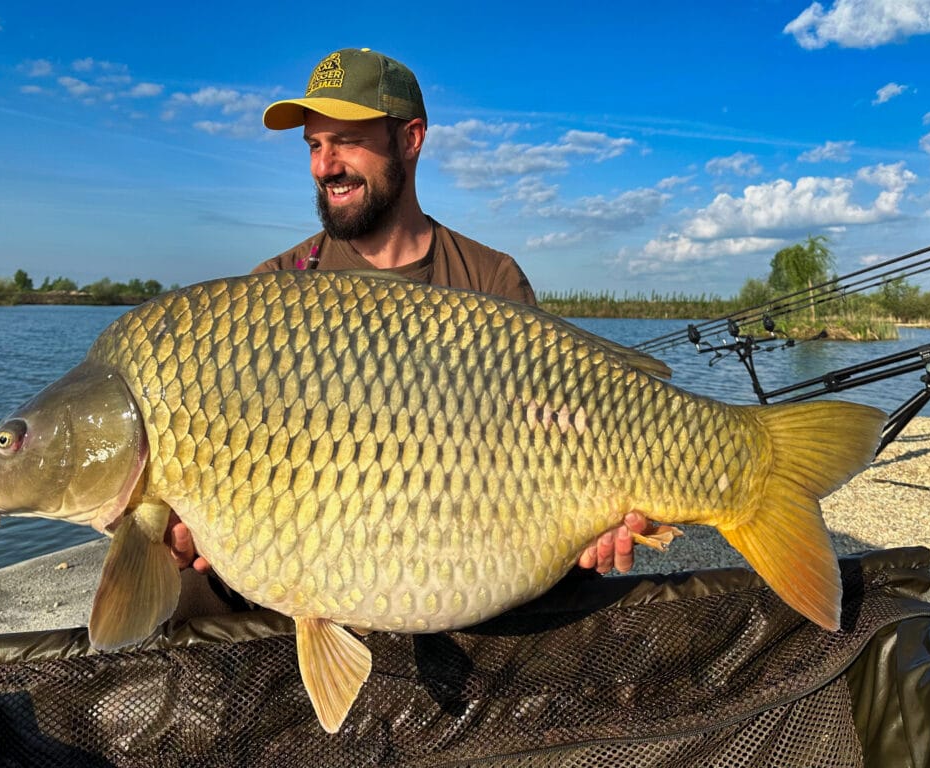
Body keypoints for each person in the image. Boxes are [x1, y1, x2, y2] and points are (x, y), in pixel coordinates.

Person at [167, 48, 654, 578]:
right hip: (317, 558)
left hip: (463, 556)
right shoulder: (277, 288)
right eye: (314, 145)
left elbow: (558, 431)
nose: (324, 167)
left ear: (411, 139)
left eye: (346, 141)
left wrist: (599, 517)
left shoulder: (491, 279)